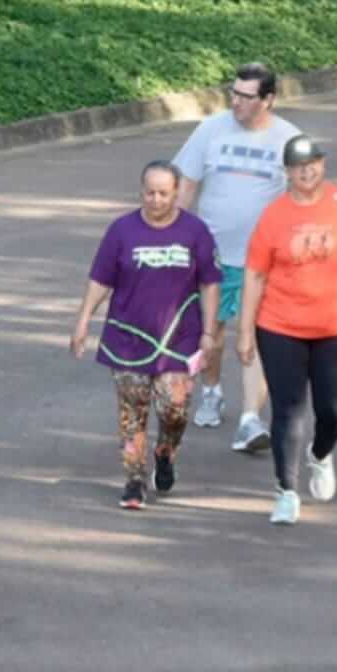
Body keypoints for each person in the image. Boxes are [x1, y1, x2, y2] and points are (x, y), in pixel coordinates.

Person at [238, 135, 337, 526]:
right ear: (287, 172)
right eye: (299, 166)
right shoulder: (274, 215)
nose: (307, 172)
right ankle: (286, 491)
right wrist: (245, 331)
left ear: (323, 164)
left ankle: (320, 454)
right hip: (281, 325)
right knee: (288, 410)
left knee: (334, 412)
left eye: (313, 164)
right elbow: (255, 275)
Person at [70, 161, 221, 509]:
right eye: (150, 193)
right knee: (132, 413)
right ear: (141, 191)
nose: (156, 200)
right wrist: (83, 321)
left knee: (175, 409)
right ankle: (134, 481)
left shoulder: (195, 231)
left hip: (179, 340)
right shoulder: (122, 230)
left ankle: (165, 452)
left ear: (176, 193)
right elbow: (100, 280)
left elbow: (210, 284)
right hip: (127, 340)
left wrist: (209, 333)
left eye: (163, 193)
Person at [174, 62, 301, 453]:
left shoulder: (288, 139)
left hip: (263, 262)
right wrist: (173, 237)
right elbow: (186, 184)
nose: (236, 102)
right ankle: (211, 391)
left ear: (268, 99)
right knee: (211, 333)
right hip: (212, 255)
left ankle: (250, 419)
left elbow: (301, 200)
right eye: (234, 93)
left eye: (246, 96)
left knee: (258, 337)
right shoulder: (210, 130)